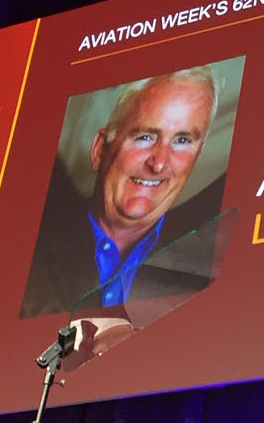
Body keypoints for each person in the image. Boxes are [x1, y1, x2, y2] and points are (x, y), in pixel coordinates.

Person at [21, 66, 225, 319]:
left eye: (182, 141)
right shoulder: (24, 250)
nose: (159, 163)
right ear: (99, 150)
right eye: (145, 136)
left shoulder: (211, 271)